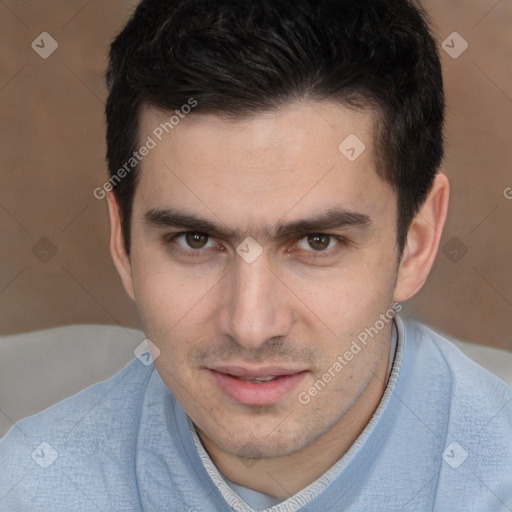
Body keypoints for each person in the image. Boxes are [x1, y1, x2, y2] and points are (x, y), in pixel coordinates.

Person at [1, 0, 511, 510]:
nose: (250, 325)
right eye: (194, 241)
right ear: (123, 243)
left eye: (317, 242)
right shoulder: (29, 488)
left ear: (416, 243)